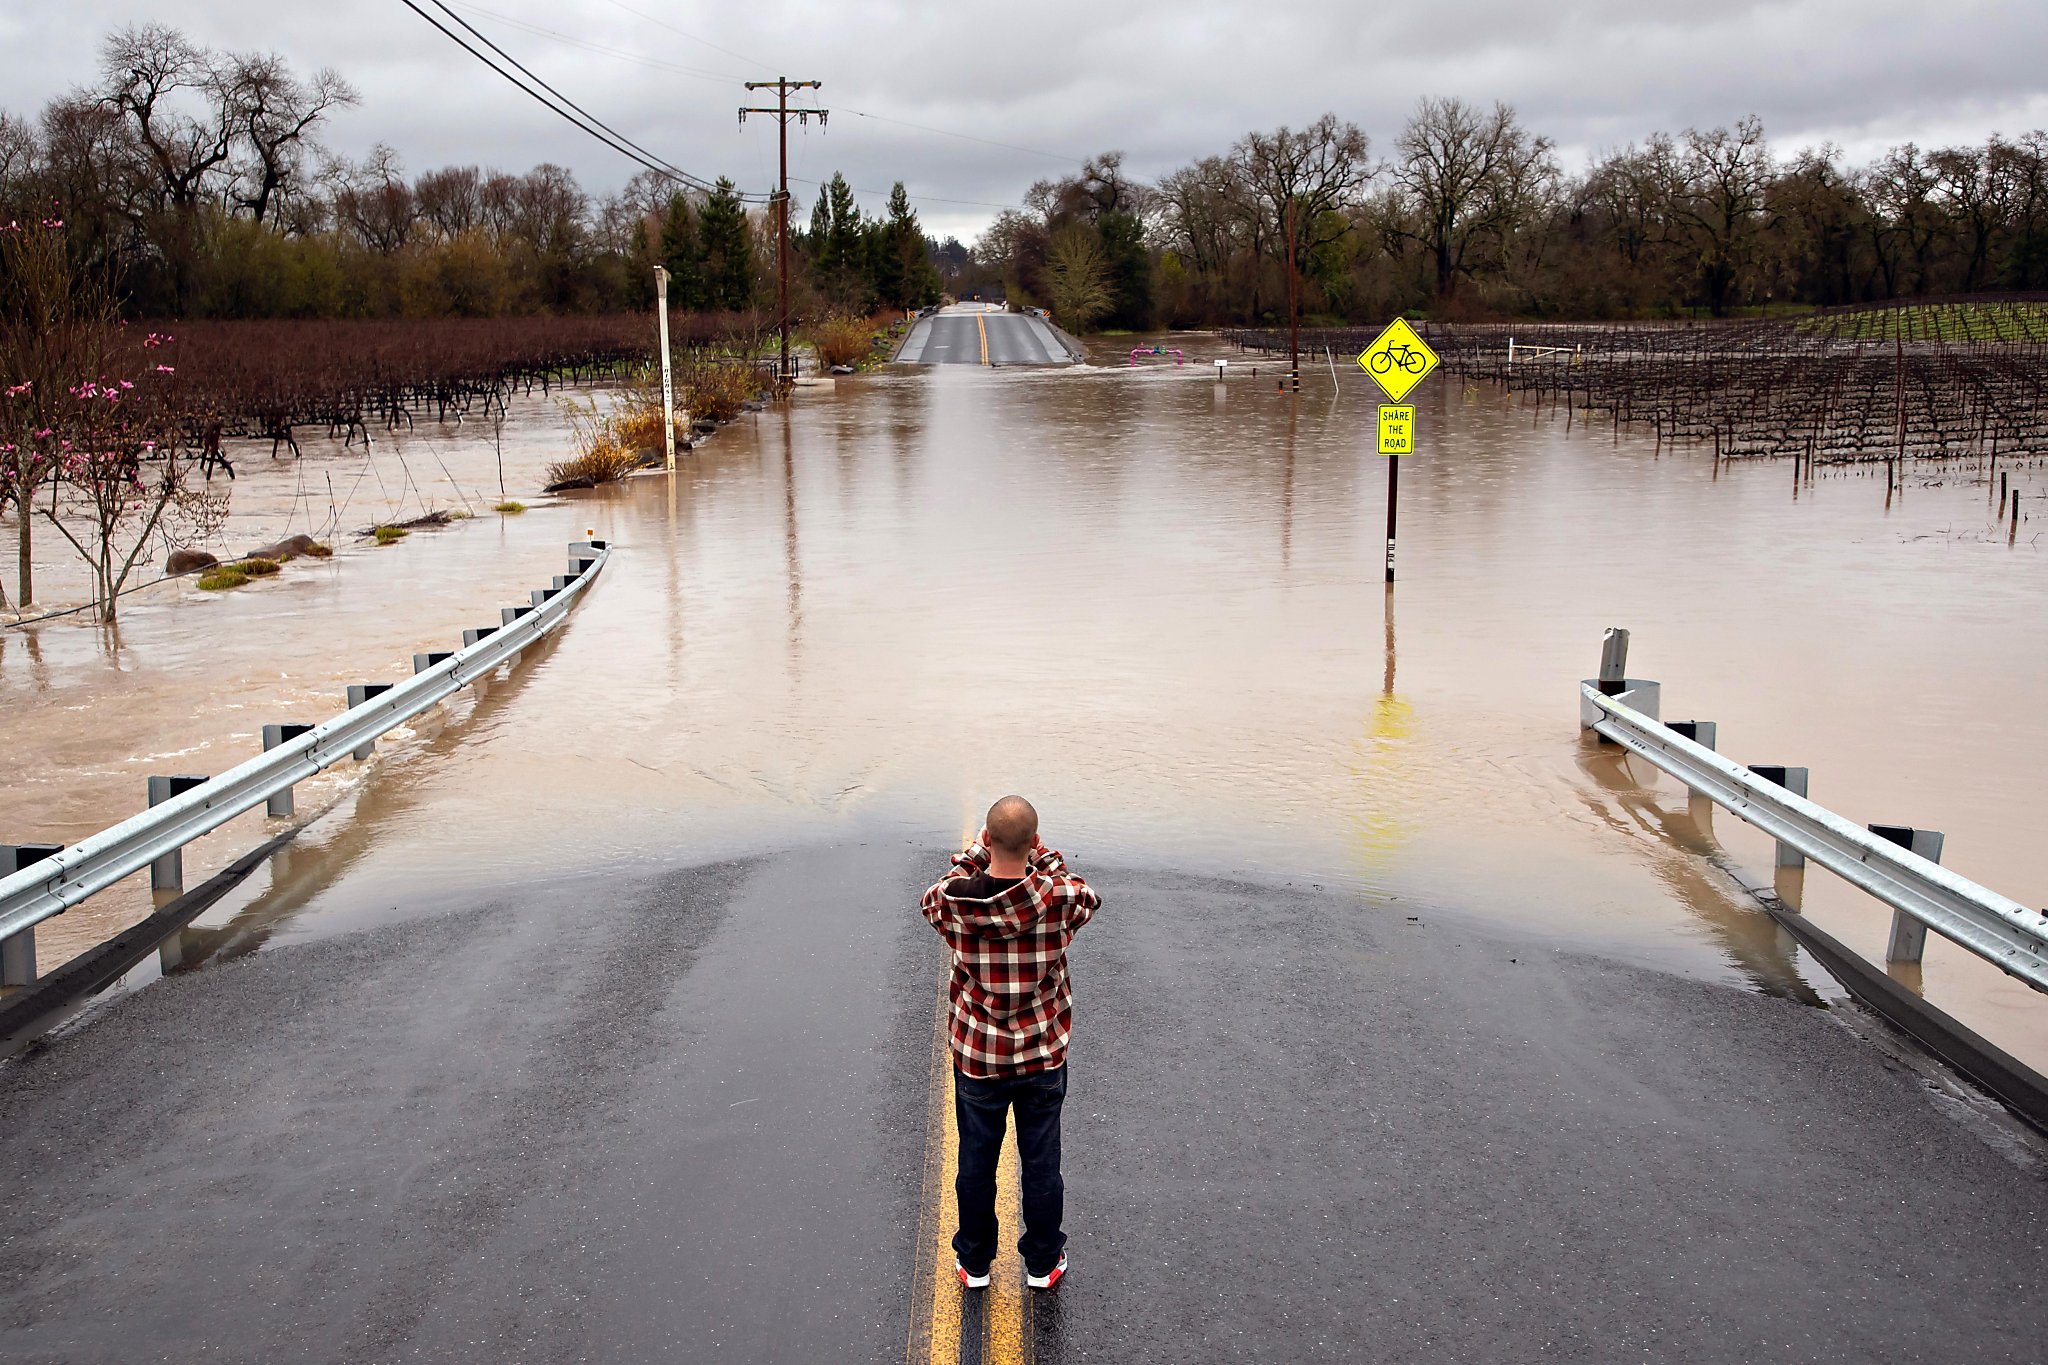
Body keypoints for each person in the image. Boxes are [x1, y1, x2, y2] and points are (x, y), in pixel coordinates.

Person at [920, 795, 1101, 1294]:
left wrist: (975, 857)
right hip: (1043, 1055)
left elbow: (931, 896)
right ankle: (1042, 1263)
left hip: (979, 1056)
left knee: (976, 1162)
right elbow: (1086, 895)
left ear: (988, 839)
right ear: (1033, 842)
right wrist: (1043, 858)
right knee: (1041, 1162)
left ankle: (975, 1263)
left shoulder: (956, 903)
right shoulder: (1060, 898)